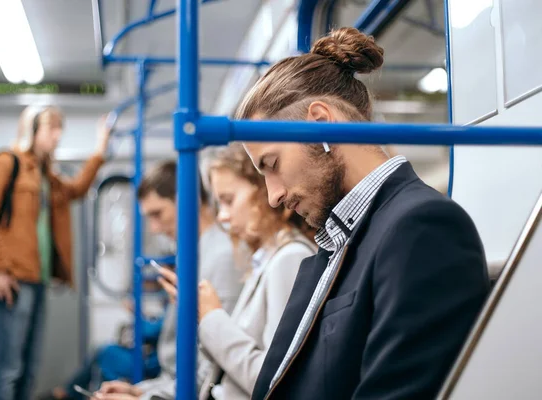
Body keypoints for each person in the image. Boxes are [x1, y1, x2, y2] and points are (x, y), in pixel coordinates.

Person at [237, 28, 490, 399]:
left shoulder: (421, 228)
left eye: (272, 164)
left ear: (320, 123)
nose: (273, 196)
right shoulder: (339, 242)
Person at [95, 144, 316, 400]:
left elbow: (273, 379)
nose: (222, 216)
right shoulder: (264, 261)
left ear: (262, 193)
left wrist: (208, 316)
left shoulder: (288, 259)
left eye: (229, 200)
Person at [0, 105, 109, 400]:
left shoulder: (45, 175)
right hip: (11, 278)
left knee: (27, 368)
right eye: (51, 128)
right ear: (31, 129)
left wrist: (100, 149)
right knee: (7, 370)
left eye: (60, 129)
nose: (58, 135)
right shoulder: (7, 162)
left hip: (36, 278)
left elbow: (78, 190)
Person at [95, 160, 245, 400]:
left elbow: (211, 372)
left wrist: (142, 399)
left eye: (158, 213)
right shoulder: (192, 255)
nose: (154, 228)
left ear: (189, 200)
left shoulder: (222, 257)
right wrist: (139, 390)